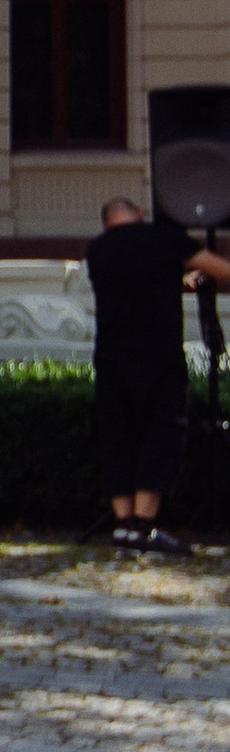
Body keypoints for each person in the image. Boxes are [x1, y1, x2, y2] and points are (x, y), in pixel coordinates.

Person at [84, 194, 230, 553]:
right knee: (161, 431)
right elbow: (220, 269)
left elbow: (136, 282)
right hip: (158, 355)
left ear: (107, 223)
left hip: (112, 357)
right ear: (138, 215)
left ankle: (123, 525)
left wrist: (178, 281)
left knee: (117, 434)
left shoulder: (98, 250)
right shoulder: (163, 239)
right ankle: (145, 524)